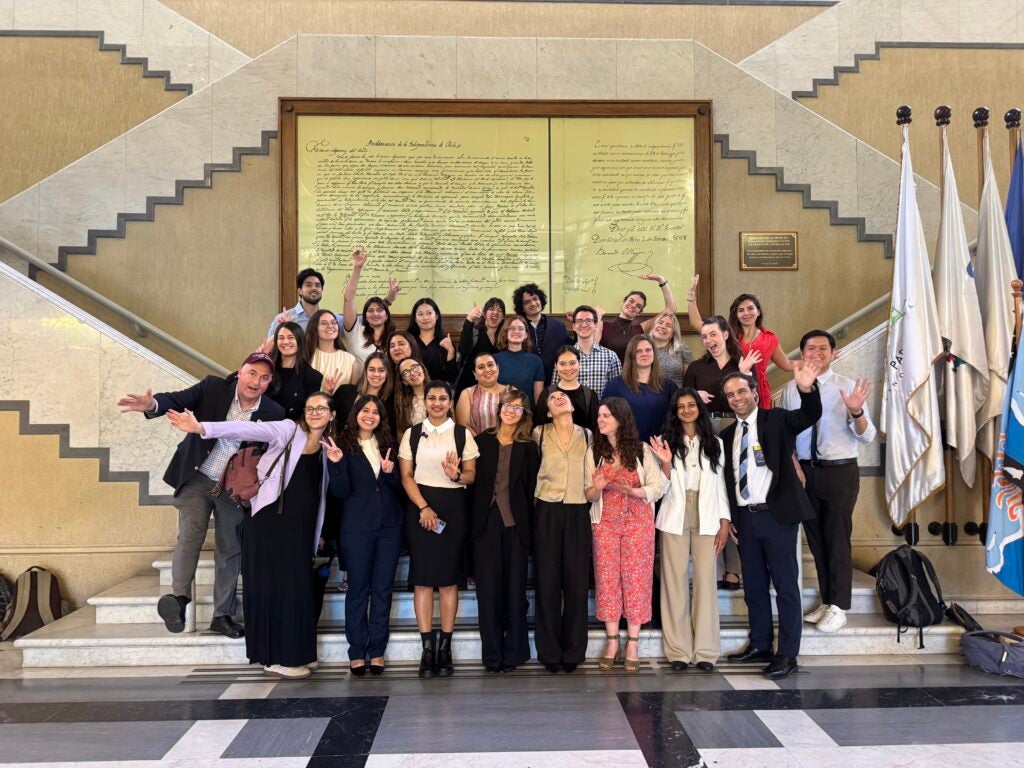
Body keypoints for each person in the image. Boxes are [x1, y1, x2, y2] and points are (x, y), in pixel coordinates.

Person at [164, 390, 336, 679]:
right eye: (310, 407)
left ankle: (299, 652)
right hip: (269, 522)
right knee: (273, 589)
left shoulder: (328, 447)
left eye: (321, 408)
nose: (315, 412)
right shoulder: (288, 430)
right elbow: (246, 427)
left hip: (299, 529)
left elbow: (320, 495)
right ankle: (273, 657)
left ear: (332, 415)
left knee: (297, 590)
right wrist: (202, 428)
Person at [116, 352, 284, 639]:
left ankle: (222, 615)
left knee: (230, 548)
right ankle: (179, 599)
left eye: (264, 377)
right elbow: (177, 399)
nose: (256, 381)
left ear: (270, 383)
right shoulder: (212, 388)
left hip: (232, 489)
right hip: (197, 477)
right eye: (252, 373)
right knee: (190, 535)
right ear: (240, 372)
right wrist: (153, 404)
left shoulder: (273, 412)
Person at [720, 365, 822, 680]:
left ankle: (787, 654)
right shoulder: (726, 435)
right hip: (746, 520)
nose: (736, 398)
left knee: (786, 587)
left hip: (777, 517)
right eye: (730, 395)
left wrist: (807, 389)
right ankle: (761, 644)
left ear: (754, 392)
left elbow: (808, 415)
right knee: (753, 587)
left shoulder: (775, 420)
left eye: (741, 391)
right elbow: (729, 478)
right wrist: (733, 517)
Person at [782, 330, 875, 634]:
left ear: (834, 353)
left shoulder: (848, 387)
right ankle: (827, 599)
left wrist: (857, 411)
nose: (817, 353)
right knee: (816, 538)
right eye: (810, 348)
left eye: (823, 348)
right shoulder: (791, 390)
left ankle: (840, 606)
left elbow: (867, 435)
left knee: (837, 537)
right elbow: (788, 433)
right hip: (805, 472)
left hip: (839, 471)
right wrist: (795, 465)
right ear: (802, 353)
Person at [399, 380, 479, 678]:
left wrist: (456, 474)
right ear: (426, 402)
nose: (436, 403)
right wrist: (423, 507)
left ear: (450, 402)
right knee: (422, 581)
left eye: (442, 398)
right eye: (431, 398)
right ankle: (427, 649)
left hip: (453, 508)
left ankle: (445, 648)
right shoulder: (412, 434)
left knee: (447, 581)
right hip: (421, 507)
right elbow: (406, 476)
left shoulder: (462, 434)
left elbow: (471, 476)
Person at [649, 389, 731, 672]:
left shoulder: (716, 443)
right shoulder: (663, 442)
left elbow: (720, 484)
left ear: (699, 408)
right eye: (680, 406)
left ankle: (706, 651)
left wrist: (724, 520)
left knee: (707, 581)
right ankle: (678, 651)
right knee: (674, 582)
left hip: (707, 514)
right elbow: (658, 488)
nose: (686, 410)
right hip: (674, 514)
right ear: (674, 410)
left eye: (691, 405)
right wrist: (666, 463)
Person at [585, 398, 668, 672]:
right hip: (605, 523)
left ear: (621, 418)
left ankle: (632, 642)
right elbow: (587, 494)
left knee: (636, 579)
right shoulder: (593, 452)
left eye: (606, 415)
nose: (600, 420)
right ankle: (611, 641)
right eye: (599, 415)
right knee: (608, 579)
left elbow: (658, 487)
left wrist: (635, 492)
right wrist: (596, 488)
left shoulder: (641, 450)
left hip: (638, 523)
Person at [326, 395, 403, 676]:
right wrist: (336, 463)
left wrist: (391, 473)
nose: (370, 415)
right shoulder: (342, 445)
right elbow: (340, 491)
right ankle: (357, 650)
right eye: (365, 410)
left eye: (376, 412)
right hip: (356, 528)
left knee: (382, 590)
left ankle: (377, 650)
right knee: (358, 590)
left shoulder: (389, 444)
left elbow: (398, 489)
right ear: (356, 413)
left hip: (389, 528)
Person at [470, 388, 539, 673]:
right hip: (485, 526)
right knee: (488, 592)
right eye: (508, 406)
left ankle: (515, 653)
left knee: (515, 591)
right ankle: (493, 655)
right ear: (499, 409)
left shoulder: (528, 447)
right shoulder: (480, 441)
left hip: (516, 527)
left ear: (524, 414)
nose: (511, 411)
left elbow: (532, 489)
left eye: (518, 408)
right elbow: (471, 486)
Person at [532, 390, 595, 674]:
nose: (558, 398)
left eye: (562, 396)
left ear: (572, 405)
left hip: (578, 509)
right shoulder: (538, 433)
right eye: (552, 398)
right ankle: (548, 650)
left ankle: (573, 650)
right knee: (547, 582)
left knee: (576, 583)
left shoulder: (588, 435)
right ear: (547, 411)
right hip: (546, 509)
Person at [687, 276, 792, 407]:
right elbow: (697, 323)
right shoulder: (728, 335)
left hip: (757, 391)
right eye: (741, 310)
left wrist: (812, 362)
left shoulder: (770, 338)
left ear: (758, 311)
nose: (746, 313)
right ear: (736, 314)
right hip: (734, 388)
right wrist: (691, 297)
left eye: (750, 308)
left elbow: (787, 364)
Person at [602, 335, 679, 443]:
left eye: (648, 350)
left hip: (660, 449)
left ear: (654, 353)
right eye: (638, 351)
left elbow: (677, 421)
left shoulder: (669, 386)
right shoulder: (615, 386)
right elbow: (604, 421)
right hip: (625, 449)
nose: (644, 354)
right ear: (631, 355)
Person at [594, 274, 677, 361]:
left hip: (632, 374)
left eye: (638, 306)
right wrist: (597, 317)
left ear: (639, 313)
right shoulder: (603, 325)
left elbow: (671, 309)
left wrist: (661, 280)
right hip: (607, 373)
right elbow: (592, 350)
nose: (633, 306)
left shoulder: (640, 329)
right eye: (631, 301)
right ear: (623, 302)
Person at [341, 248, 400, 362]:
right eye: (370, 310)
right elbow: (348, 299)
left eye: (379, 310)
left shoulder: (394, 338)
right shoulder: (355, 332)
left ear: (387, 315)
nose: (375, 314)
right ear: (365, 316)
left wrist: (389, 299)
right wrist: (357, 268)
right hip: (359, 380)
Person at [264, 321, 323, 421]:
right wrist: (263, 355)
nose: (286, 342)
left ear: (299, 341)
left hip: (292, 430)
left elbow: (309, 413)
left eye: (291, 337)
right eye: (281, 338)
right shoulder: (266, 369)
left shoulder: (312, 377)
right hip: (262, 425)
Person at [512, 283, 570, 384]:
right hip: (525, 383)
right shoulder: (516, 329)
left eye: (535, 299)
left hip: (555, 383)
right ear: (522, 307)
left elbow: (571, 350)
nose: (533, 303)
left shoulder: (559, 327)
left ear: (541, 300)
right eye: (527, 302)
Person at [561, 304, 621, 399]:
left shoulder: (611, 356)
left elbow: (617, 391)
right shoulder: (564, 356)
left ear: (596, 325)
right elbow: (556, 389)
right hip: (571, 412)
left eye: (589, 321)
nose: (584, 325)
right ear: (574, 326)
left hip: (601, 412)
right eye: (579, 321)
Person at [535, 345, 598, 430]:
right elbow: (539, 427)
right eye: (562, 364)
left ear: (579, 363)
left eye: (572, 363)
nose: (568, 368)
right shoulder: (547, 394)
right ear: (556, 366)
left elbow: (595, 430)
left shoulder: (590, 395)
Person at [454, 297, 506, 395]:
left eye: (499, 310)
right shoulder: (474, 332)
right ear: (484, 313)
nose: (495, 312)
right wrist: (469, 319)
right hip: (469, 387)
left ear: (503, 317)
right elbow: (464, 350)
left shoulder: (504, 338)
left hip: (494, 388)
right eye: (491, 309)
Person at [305, 309, 361, 394]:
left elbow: (352, 397)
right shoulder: (305, 356)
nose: (330, 326)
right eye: (324, 323)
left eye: (333, 323)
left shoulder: (351, 361)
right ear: (314, 328)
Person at [494, 315, 546, 407]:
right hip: (501, 412)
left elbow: (538, 398)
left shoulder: (536, 361)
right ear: (506, 333)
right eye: (512, 328)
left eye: (521, 329)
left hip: (527, 414)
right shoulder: (494, 360)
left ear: (526, 334)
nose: (516, 331)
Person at [333, 351, 394, 424]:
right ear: (365, 371)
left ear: (387, 374)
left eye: (381, 370)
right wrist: (328, 392)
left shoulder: (391, 404)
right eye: (371, 369)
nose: (376, 374)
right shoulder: (344, 391)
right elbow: (329, 416)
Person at [265, 267, 327, 338]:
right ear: (300, 290)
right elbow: (270, 347)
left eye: (317, 285)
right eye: (308, 285)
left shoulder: (328, 320)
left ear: (322, 290)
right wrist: (283, 328)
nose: (314, 288)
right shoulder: (282, 319)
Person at [454, 352, 505, 435]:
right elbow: (463, 425)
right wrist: (481, 445)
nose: (487, 370)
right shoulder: (467, 394)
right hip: (476, 445)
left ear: (498, 368)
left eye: (490, 365)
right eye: (481, 367)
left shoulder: (511, 391)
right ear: (475, 375)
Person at [408, 298, 457, 383]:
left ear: (437, 316)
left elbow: (451, 378)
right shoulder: (408, 341)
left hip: (438, 391)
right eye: (420, 314)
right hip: (412, 390)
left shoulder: (446, 342)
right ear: (415, 319)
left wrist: (451, 351)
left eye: (429, 313)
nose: (425, 318)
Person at [650, 311, 694, 388]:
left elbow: (691, 380)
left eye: (668, 325)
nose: (663, 326)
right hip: (650, 395)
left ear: (673, 333)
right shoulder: (642, 349)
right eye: (660, 322)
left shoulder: (683, 350)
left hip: (677, 396)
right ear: (653, 326)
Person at [394, 357, 428, 436]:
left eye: (414, 367)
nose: (412, 373)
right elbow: (401, 434)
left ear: (422, 368)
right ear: (404, 381)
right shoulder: (401, 403)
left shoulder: (440, 392)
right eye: (406, 372)